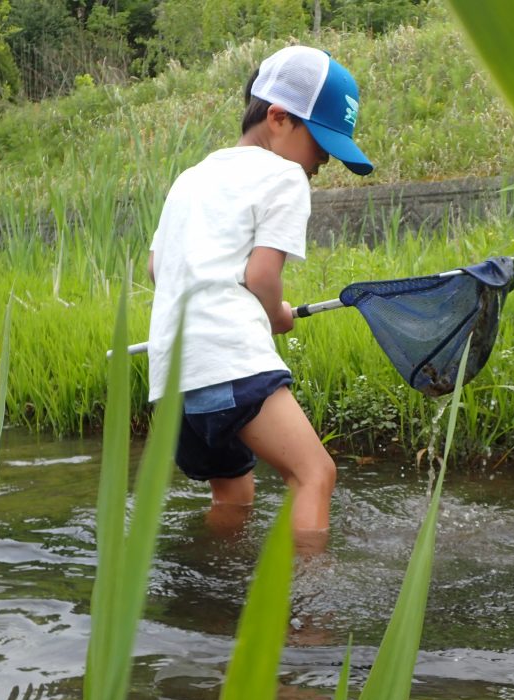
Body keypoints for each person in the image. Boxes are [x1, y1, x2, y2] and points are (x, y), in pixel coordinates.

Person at [146, 45, 373, 551]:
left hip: (173, 380)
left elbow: (158, 268)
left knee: (234, 494)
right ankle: (311, 615)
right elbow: (262, 274)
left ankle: (208, 595)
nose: (323, 162)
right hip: (231, 362)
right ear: (279, 118)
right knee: (314, 473)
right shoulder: (285, 176)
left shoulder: (191, 177)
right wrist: (276, 316)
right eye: (322, 144)